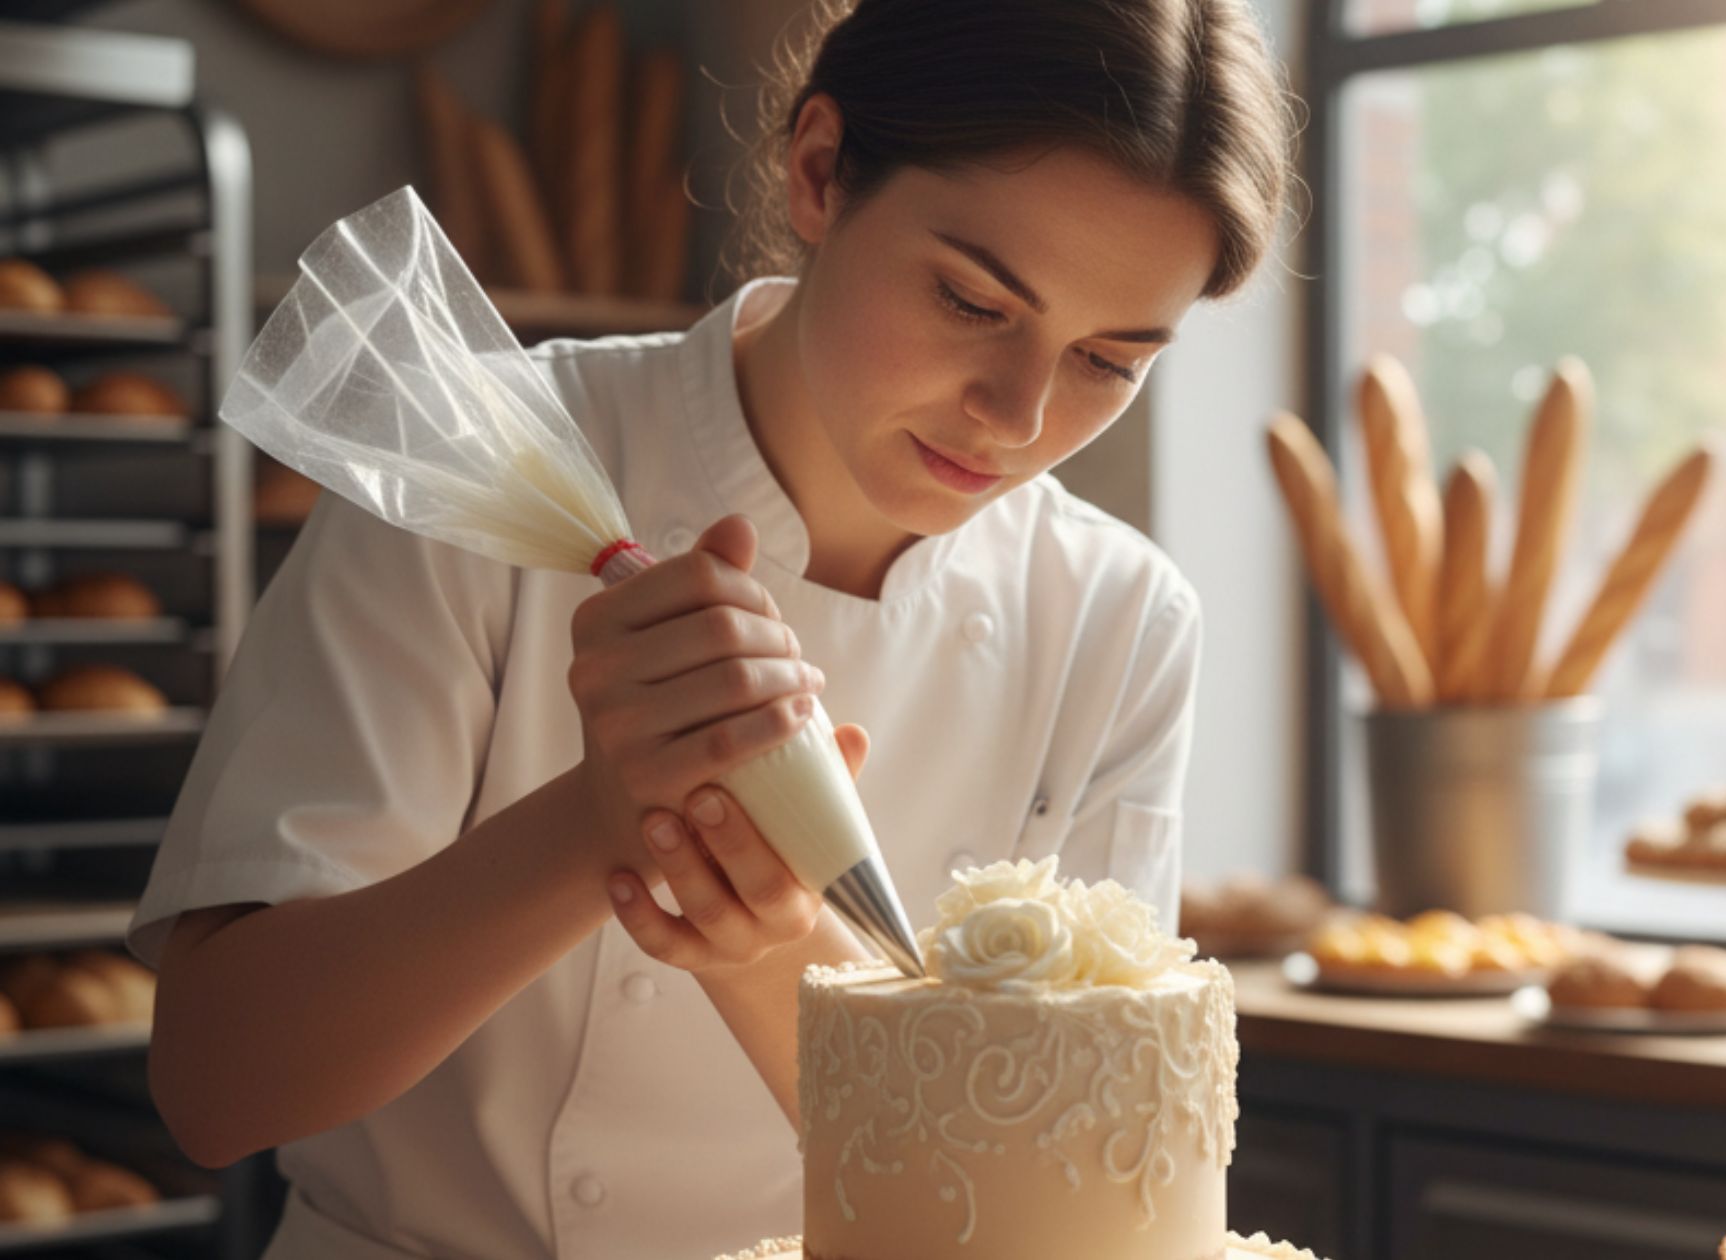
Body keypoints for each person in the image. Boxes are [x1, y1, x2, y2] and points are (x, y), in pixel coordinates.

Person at [129, 1, 1298, 1257]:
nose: (1016, 416)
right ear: (816, 171)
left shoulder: (1116, 622)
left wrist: (759, 938)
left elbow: (1044, 1197)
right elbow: (218, 1086)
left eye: (1109, 363)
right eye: (971, 303)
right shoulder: (494, 468)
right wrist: (593, 821)